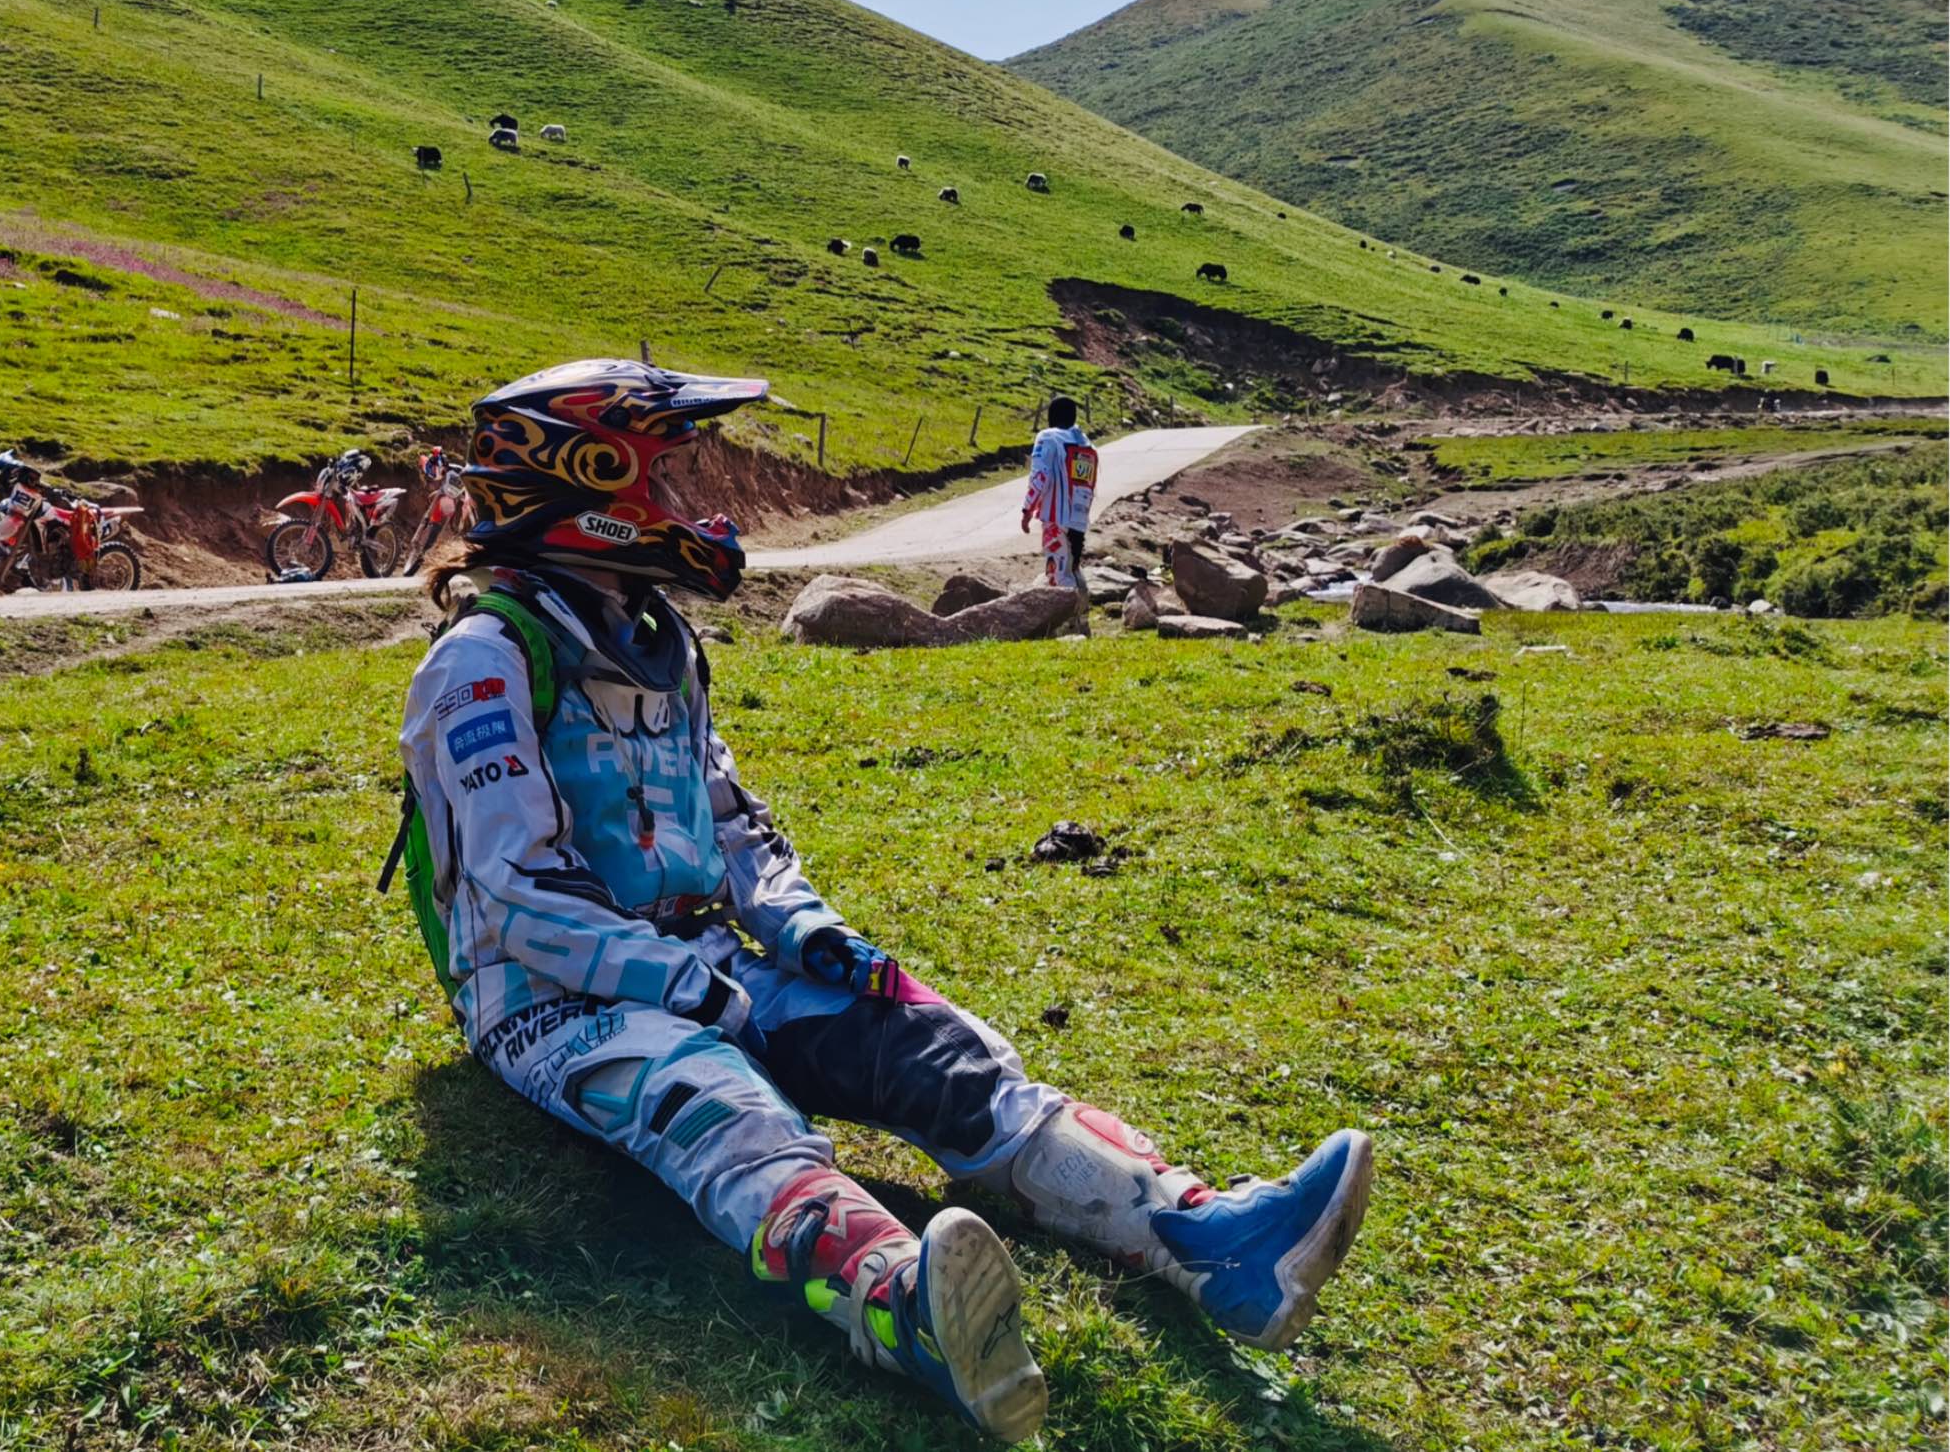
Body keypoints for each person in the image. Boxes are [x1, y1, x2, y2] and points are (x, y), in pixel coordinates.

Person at [390, 360, 1371, 1444]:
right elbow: (516, 892)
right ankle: (903, 1307)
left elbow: (730, 823)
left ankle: (1207, 1239)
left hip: (705, 956)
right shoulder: (482, 661)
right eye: (665, 479)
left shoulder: (659, 640)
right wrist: (692, 989)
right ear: (590, 489)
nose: (690, 507)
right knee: (722, 1106)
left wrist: (804, 928)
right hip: (546, 999)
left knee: (926, 1045)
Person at [1021, 396, 1098, 592]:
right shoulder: (1086, 444)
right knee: (1073, 569)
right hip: (1079, 518)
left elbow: (1040, 476)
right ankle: (1080, 617)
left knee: (1058, 577)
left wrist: (1028, 509)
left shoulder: (1048, 437)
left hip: (1055, 518)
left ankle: (1067, 619)